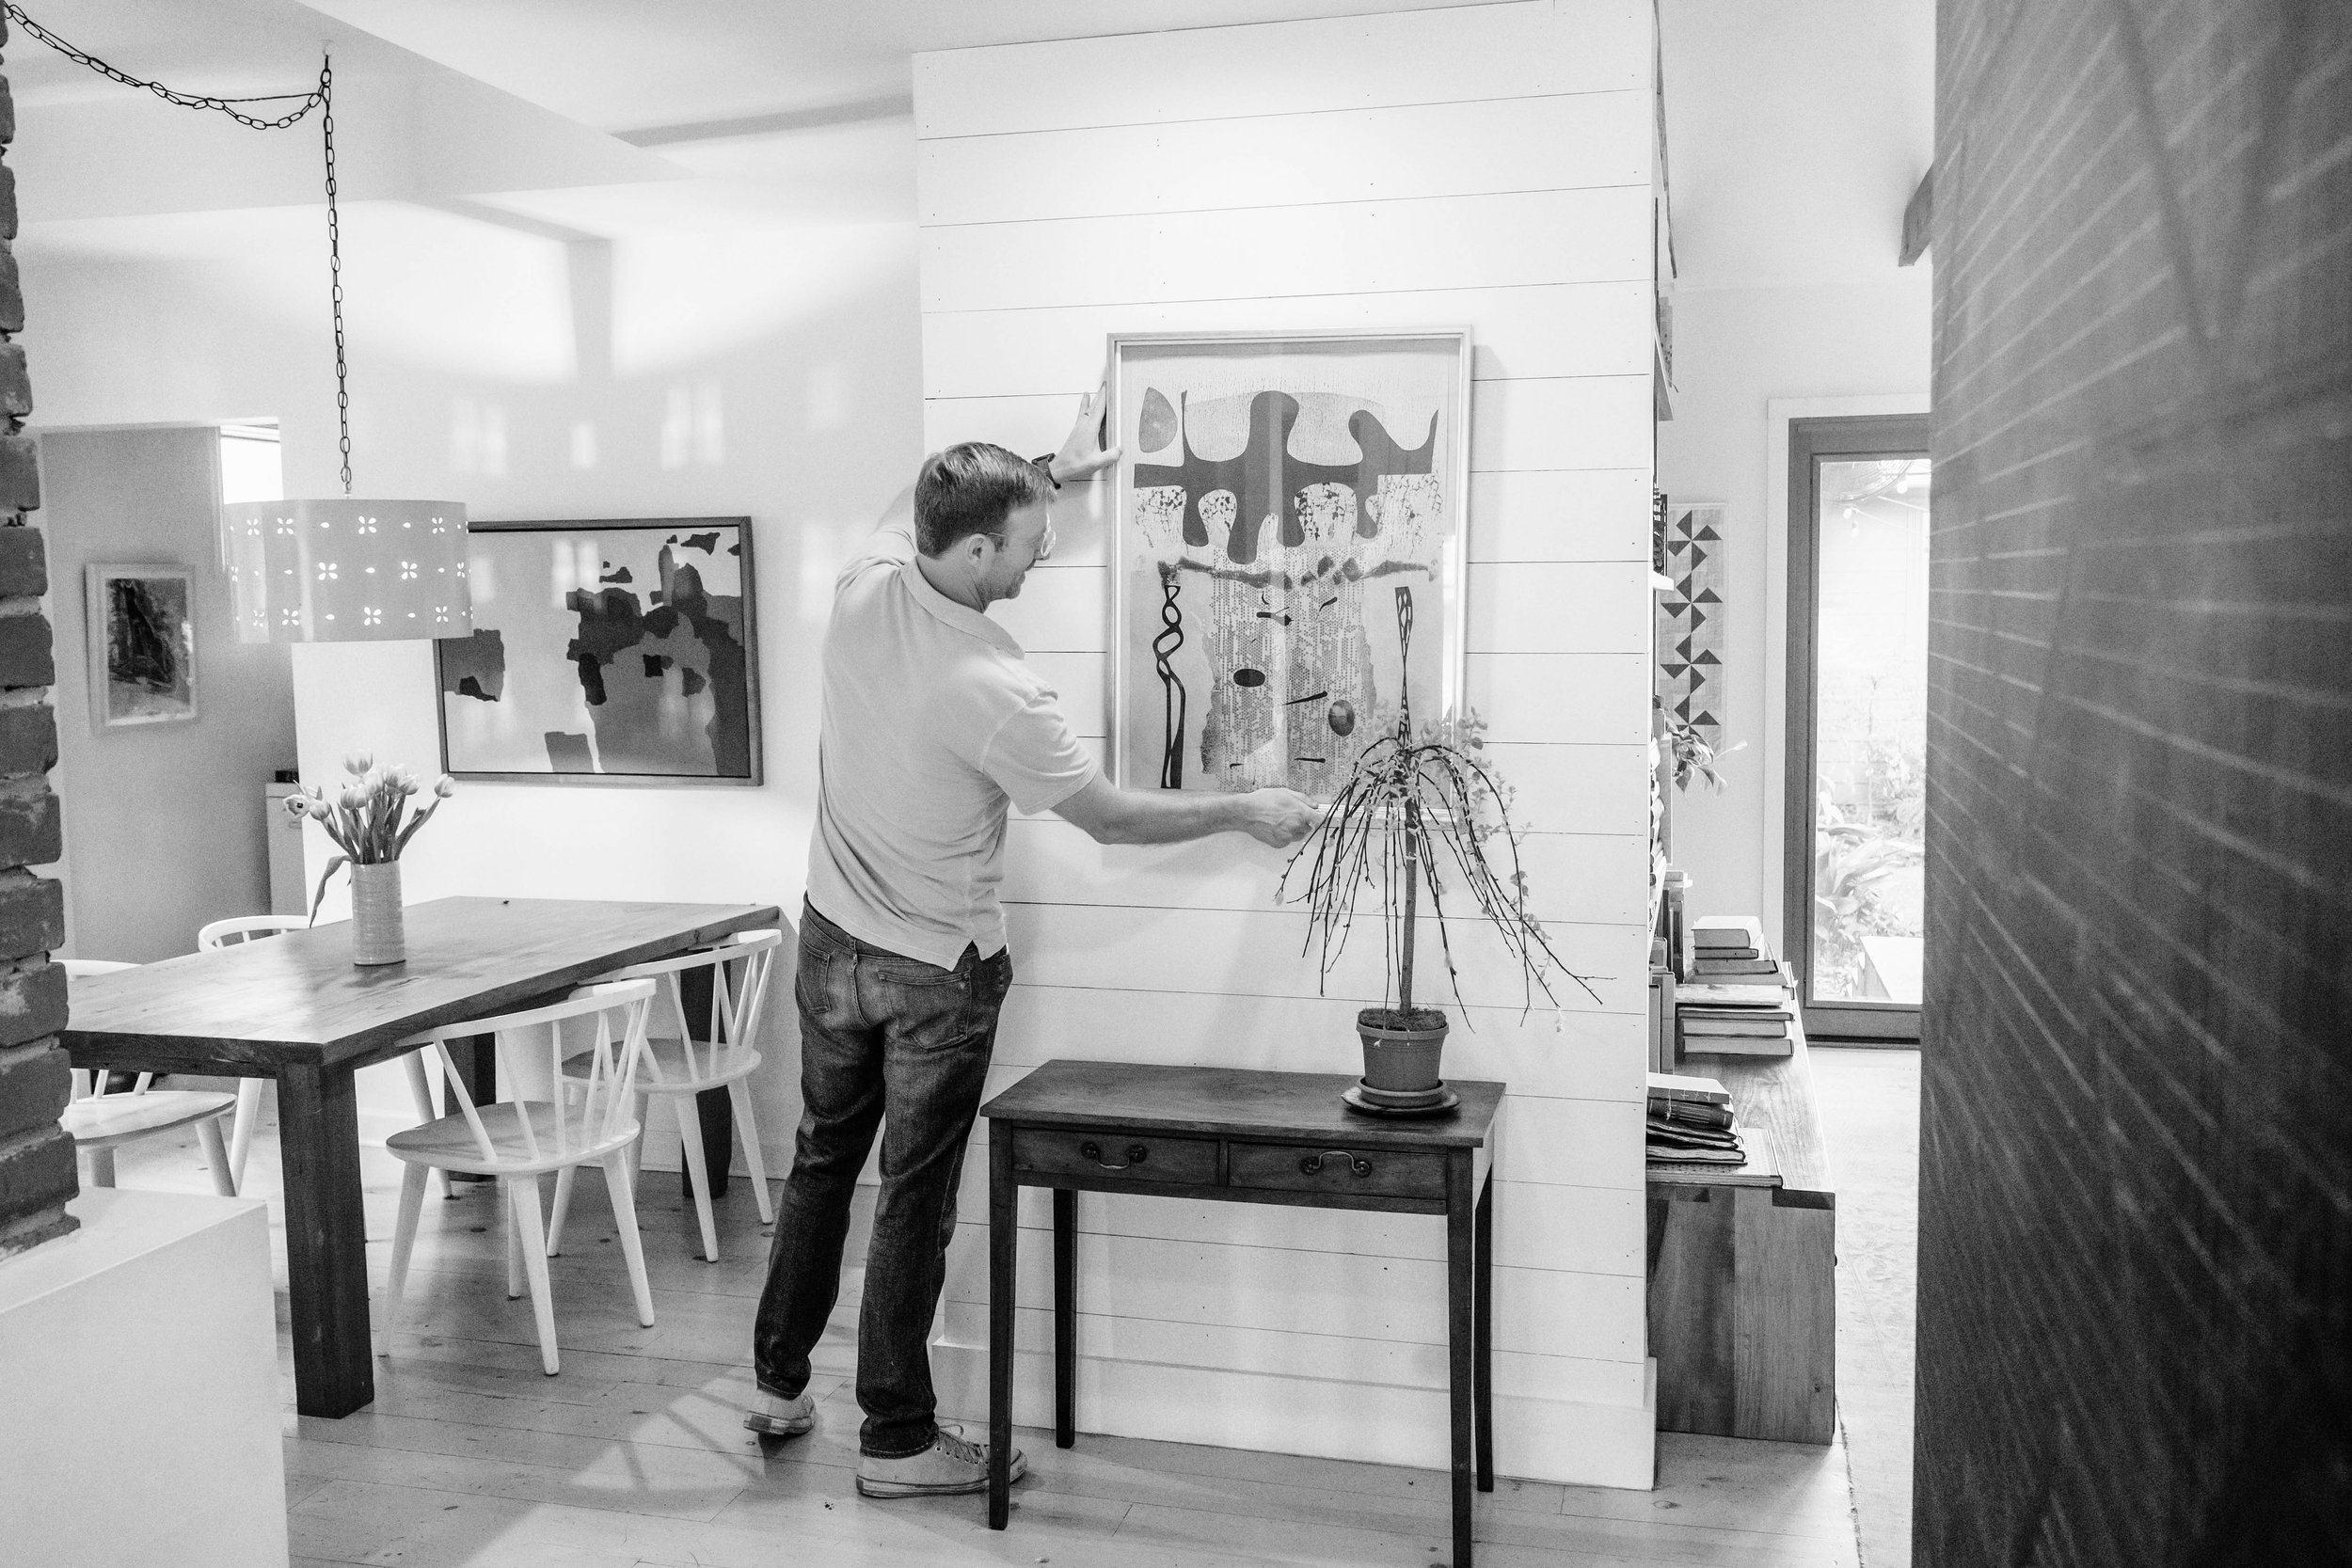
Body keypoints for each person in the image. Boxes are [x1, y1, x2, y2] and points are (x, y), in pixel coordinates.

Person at [745, 383, 1318, 1498]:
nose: (1037, 561)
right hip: (932, 973)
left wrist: (1051, 471)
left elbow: (908, 502)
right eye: (1022, 546)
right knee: (913, 1195)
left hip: (828, 942)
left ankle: (776, 1384)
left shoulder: (862, 586)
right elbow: (1108, 817)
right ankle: (899, 1442)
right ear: (966, 551)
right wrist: (1245, 809)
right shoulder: (997, 686)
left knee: (822, 1161)